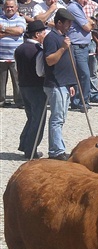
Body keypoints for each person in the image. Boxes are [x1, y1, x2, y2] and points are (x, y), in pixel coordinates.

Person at [42, 8, 76, 160]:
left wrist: (71, 84)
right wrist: (63, 48)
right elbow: (50, 60)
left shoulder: (64, 36)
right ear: (59, 23)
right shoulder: (51, 38)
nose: (70, 25)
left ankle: (57, 148)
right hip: (55, 83)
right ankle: (56, 151)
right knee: (57, 118)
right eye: (68, 22)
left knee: (61, 118)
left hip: (64, 83)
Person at [15, 20, 48, 159]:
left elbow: (17, 68)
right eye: (43, 33)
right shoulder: (38, 51)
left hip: (23, 86)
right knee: (38, 119)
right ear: (37, 34)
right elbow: (40, 72)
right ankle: (31, 149)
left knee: (31, 117)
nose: (45, 35)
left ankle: (24, 143)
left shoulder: (19, 48)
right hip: (36, 87)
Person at [0, 0, 27, 108]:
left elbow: (20, 30)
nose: (9, 9)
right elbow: (15, 32)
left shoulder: (21, 19)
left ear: (16, 7)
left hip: (16, 56)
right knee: (1, 81)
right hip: (1, 56)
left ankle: (19, 101)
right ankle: (1, 100)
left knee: (17, 80)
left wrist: (3, 30)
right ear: (3, 8)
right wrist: (13, 32)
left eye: (12, 7)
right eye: (7, 7)